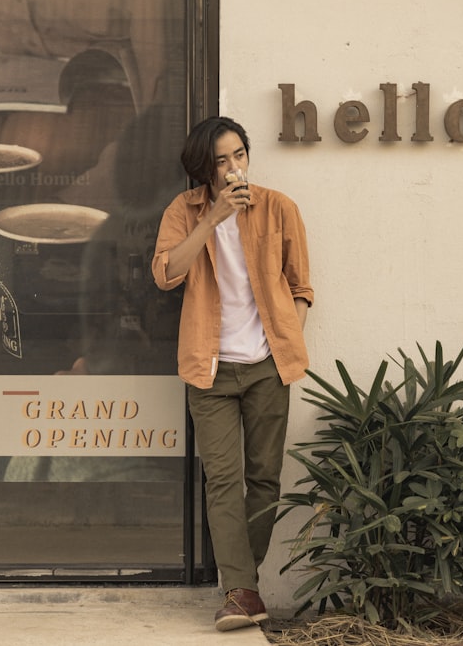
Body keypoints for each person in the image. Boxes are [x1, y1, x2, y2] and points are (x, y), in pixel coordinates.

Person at [151, 116, 314, 631]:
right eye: (221, 160)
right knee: (223, 481)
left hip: (268, 366)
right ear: (205, 168)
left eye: (239, 154)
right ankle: (242, 592)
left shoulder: (279, 207)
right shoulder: (184, 210)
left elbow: (301, 287)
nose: (233, 167)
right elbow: (165, 273)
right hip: (210, 369)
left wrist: (284, 338)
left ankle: (243, 587)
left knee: (264, 480)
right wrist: (213, 219)